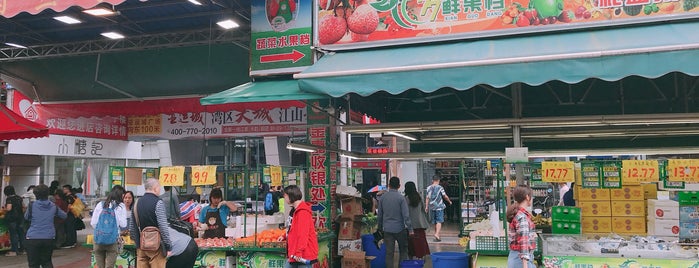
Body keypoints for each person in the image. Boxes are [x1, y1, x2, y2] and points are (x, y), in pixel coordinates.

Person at [129, 178, 173, 267]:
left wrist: (138, 244)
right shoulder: (158, 203)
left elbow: (132, 228)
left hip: (141, 246)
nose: (160, 190)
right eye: (159, 187)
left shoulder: (136, 203)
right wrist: (168, 246)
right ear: (155, 188)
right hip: (156, 247)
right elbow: (163, 227)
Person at [24, 184, 68, 268]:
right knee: (47, 262)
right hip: (49, 237)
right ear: (47, 194)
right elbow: (64, 216)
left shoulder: (32, 205)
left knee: (33, 263)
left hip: (33, 237)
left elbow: (26, 217)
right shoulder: (53, 206)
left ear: (36, 194)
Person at [279, 185, 318, 267]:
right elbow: (292, 228)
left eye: (285, 196)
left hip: (303, 254)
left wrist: (299, 251)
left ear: (291, 196)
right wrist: (284, 236)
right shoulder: (294, 210)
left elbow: (303, 234)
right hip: (295, 253)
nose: (284, 198)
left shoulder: (302, 212)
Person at [378, 177, 412, 268]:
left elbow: (380, 215)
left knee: (389, 253)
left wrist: (380, 228)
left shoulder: (382, 198)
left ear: (389, 185)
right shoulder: (401, 198)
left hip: (387, 230)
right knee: (403, 250)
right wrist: (410, 229)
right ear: (399, 186)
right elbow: (406, 216)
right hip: (400, 229)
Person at [91, 186, 127, 268]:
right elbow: (123, 224)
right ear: (121, 195)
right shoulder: (121, 206)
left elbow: (93, 223)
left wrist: (103, 231)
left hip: (98, 240)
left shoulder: (100, 204)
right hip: (112, 240)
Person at [507, 185, 536, 268]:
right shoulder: (522, 217)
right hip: (521, 260)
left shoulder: (517, 214)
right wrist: (525, 265)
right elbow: (524, 241)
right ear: (527, 197)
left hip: (516, 258)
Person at [404, 181, 430, 259]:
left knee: (410, 245)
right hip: (420, 225)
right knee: (420, 244)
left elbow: (405, 213)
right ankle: (420, 259)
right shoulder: (419, 197)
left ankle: (411, 260)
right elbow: (423, 209)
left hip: (410, 226)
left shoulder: (405, 199)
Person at [425, 175, 452, 242]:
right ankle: (437, 234)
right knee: (439, 221)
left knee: (435, 222)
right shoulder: (440, 187)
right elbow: (444, 196)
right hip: (439, 207)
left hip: (432, 207)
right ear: (438, 181)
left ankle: (437, 236)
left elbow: (427, 198)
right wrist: (449, 201)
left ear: (432, 180)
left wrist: (426, 207)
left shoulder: (428, 188)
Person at [4, 185, 25, 256]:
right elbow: (24, 207)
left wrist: (4, 209)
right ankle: (23, 250)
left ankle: (14, 251)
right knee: (21, 234)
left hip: (12, 219)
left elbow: (9, 208)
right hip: (20, 218)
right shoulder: (19, 198)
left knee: (14, 235)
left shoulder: (9, 199)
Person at [61, 184, 78, 248]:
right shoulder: (74, 196)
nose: (63, 190)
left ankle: (70, 242)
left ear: (68, 189)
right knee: (72, 228)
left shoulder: (69, 197)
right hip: (74, 214)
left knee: (69, 228)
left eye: (64, 189)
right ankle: (73, 241)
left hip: (70, 214)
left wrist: (65, 213)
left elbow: (69, 206)